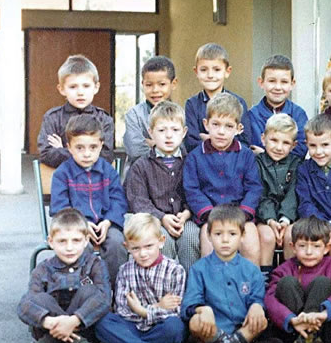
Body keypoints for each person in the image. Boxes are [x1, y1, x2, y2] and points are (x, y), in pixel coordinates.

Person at [5, 209, 126, 343]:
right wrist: (51, 322)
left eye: (76, 240)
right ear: (51, 241)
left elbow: (104, 299)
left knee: (90, 292)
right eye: (62, 241)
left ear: (86, 241)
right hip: (49, 329)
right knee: (38, 298)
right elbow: (25, 305)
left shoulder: (94, 264)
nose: (69, 248)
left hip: (85, 330)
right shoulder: (43, 269)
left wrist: (73, 321)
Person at [153, 205, 271, 343]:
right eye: (218, 234)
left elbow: (258, 297)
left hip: (242, 328)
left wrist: (257, 306)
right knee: (195, 322)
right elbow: (188, 305)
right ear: (208, 235)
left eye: (232, 234)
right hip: (213, 330)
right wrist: (202, 309)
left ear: (242, 236)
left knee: (262, 320)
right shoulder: (199, 269)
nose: (225, 240)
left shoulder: (251, 270)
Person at [182, 93, 265, 266]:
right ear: (206, 125)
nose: (221, 131)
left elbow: (254, 188)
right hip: (210, 216)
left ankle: (252, 288)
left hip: (240, 215)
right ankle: (213, 288)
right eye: (216, 124)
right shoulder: (195, 157)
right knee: (208, 241)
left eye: (228, 126)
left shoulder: (246, 155)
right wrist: (209, 214)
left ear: (239, 128)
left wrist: (243, 214)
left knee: (250, 240)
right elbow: (192, 189)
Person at [95, 213, 187, 343]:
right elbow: (122, 310)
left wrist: (143, 311)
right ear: (127, 247)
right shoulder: (125, 270)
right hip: (132, 327)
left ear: (161, 241)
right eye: (136, 248)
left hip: (159, 328)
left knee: (176, 328)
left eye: (149, 246)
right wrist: (158, 306)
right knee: (103, 323)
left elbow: (175, 312)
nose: (143, 254)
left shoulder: (175, 270)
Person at [50, 115, 128, 285]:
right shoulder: (62, 174)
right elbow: (59, 208)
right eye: (80, 148)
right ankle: (84, 291)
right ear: (69, 147)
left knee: (116, 244)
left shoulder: (108, 171)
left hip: (106, 226)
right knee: (80, 246)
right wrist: (82, 224)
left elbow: (118, 201)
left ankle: (114, 291)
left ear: (101, 145)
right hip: (74, 228)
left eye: (93, 147)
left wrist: (108, 222)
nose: (87, 153)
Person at [124, 100, 200, 271]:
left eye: (175, 130)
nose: (168, 135)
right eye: (161, 130)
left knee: (191, 237)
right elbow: (138, 201)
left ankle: (189, 290)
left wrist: (187, 213)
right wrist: (161, 217)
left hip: (185, 218)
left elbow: (197, 192)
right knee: (160, 240)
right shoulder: (141, 166)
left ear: (184, 133)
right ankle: (164, 288)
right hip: (154, 220)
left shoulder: (191, 162)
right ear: (151, 133)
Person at [263, 217, 331, 343]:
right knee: (287, 283)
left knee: (323, 283)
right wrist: (292, 320)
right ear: (293, 247)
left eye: (316, 246)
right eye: (302, 246)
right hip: (293, 330)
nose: (309, 252)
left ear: (327, 248)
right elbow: (270, 299)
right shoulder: (284, 269)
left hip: (324, 331)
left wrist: (323, 314)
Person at [37, 54, 114, 168]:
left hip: (94, 182)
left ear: (96, 87)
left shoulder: (104, 119)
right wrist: (89, 154)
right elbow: (46, 154)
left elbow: (106, 155)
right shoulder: (53, 118)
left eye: (86, 86)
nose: (80, 92)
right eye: (73, 87)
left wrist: (62, 150)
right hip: (63, 182)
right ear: (62, 89)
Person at [295, 114, 331, 261]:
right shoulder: (304, 170)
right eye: (313, 146)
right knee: (298, 240)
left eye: (325, 145)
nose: (319, 152)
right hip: (314, 224)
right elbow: (305, 204)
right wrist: (323, 227)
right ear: (306, 144)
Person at [184, 43, 250, 154]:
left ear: (227, 72)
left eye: (217, 70)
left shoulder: (239, 103)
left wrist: (207, 138)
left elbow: (245, 142)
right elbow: (191, 143)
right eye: (204, 70)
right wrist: (227, 140)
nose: (210, 75)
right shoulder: (192, 104)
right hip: (203, 165)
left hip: (232, 164)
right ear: (196, 72)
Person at [255, 113, 302, 268]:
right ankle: (265, 278)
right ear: (263, 139)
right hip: (263, 217)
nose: (279, 147)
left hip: (289, 217)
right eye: (274, 140)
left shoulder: (296, 164)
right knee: (267, 237)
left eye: (285, 143)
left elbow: (293, 194)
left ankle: (289, 276)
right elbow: (259, 194)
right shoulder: (257, 163)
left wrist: (284, 220)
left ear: (293, 145)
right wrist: (270, 220)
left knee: (291, 236)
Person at [245, 54, 308, 158]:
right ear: (261, 82)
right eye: (272, 81)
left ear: (292, 84)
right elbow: (250, 148)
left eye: (284, 82)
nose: (278, 87)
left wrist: (263, 155)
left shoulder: (299, 114)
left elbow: (301, 149)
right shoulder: (251, 116)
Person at [122, 56, 179, 167]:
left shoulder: (180, 114)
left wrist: (151, 143)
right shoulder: (134, 114)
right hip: (139, 177)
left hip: (171, 177)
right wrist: (166, 148)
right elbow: (135, 150)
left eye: (162, 84)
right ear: (142, 84)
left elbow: (182, 149)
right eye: (149, 85)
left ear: (174, 83)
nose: (155, 90)